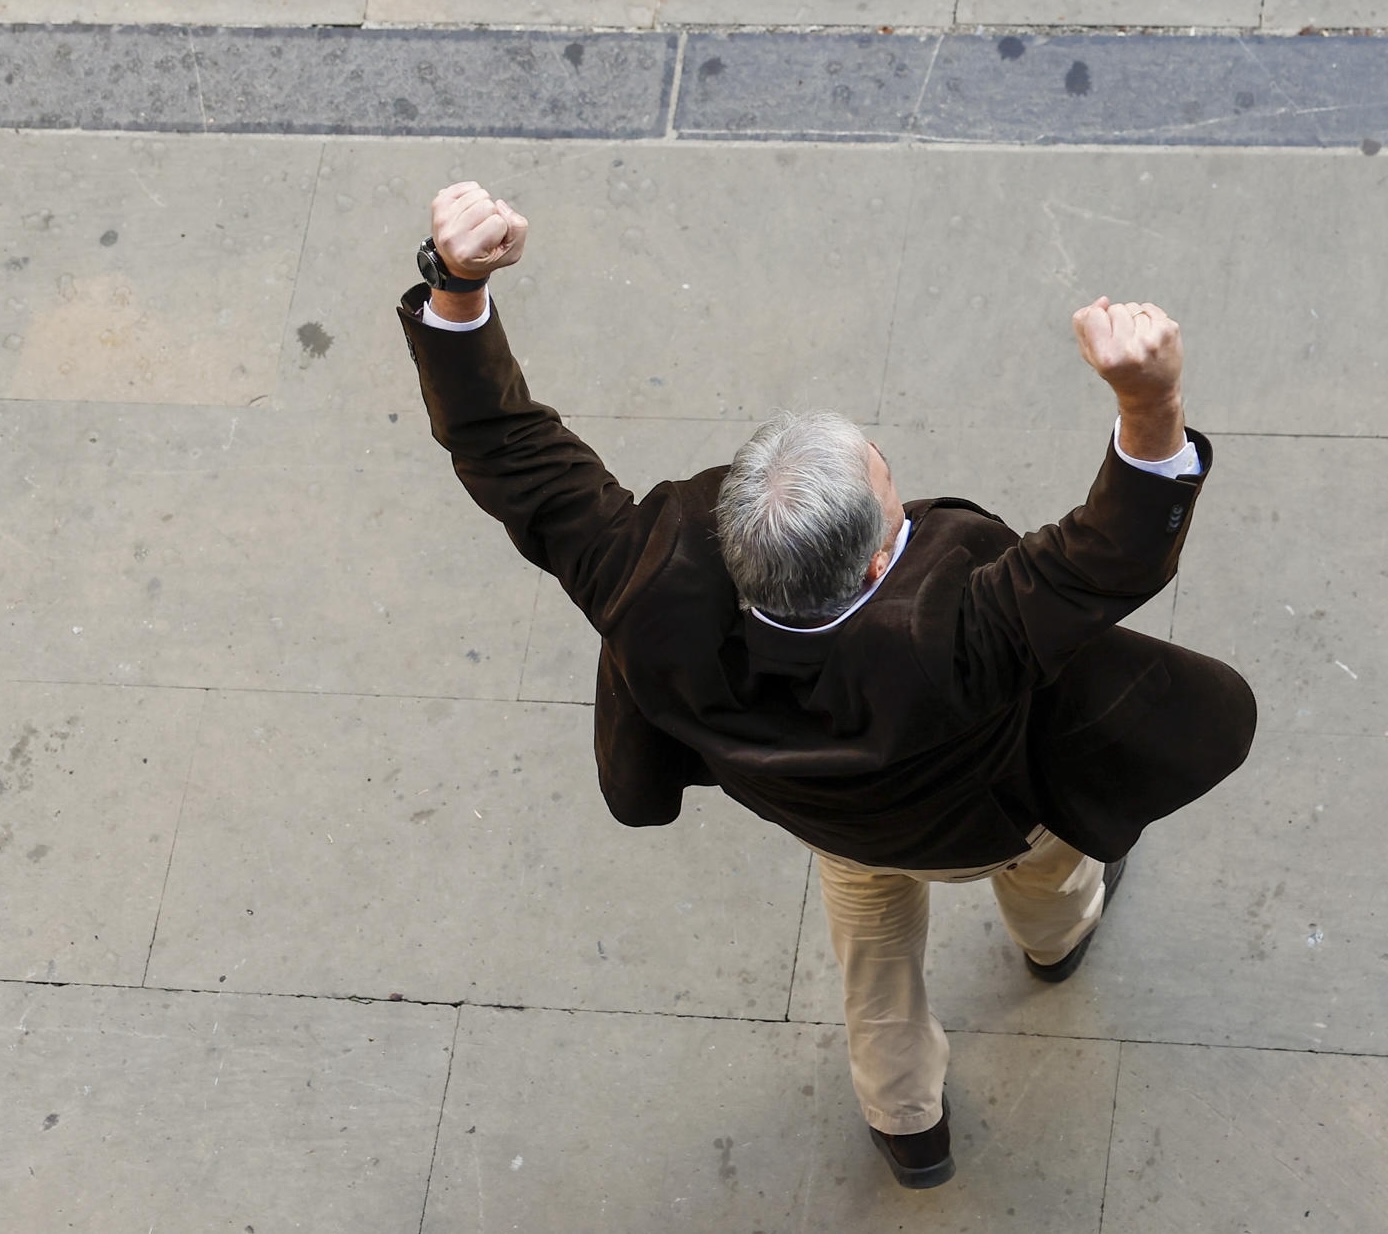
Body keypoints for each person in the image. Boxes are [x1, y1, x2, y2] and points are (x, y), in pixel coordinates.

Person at [399, 182, 1256, 1189]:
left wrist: (457, 284)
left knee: (873, 969)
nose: (893, 472)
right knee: (1052, 871)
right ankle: (1055, 943)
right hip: (993, 816)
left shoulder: (643, 581)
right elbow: (1113, 555)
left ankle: (908, 1126)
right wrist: (1149, 400)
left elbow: (502, 448)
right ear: (870, 560)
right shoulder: (957, 631)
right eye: (888, 483)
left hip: (831, 819)